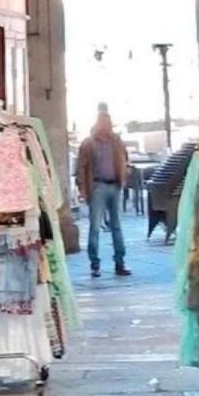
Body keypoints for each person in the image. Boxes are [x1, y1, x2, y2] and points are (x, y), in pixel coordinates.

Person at [77, 111, 131, 277]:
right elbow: (81, 167)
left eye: (108, 122)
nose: (106, 126)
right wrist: (83, 189)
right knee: (95, 227)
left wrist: (124, 175)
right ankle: (95, 264)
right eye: (103, 122)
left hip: (114, 185)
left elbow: (125, 159)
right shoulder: (88, 144)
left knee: (116, 226)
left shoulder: (117, 142)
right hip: (98, 186)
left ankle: (120, 262)